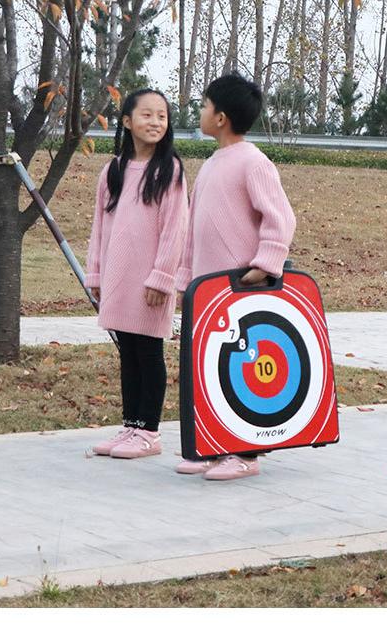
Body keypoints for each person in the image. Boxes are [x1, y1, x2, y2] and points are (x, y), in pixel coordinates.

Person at [175, 72, 296, 481]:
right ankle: (213, 446)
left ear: (221, 117)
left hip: (241, 287)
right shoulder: (210, 165)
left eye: (205, 105)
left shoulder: (253, 161)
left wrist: (266, 262)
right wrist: (184, 281)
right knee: (209, 368)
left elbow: (279, 217)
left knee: (242, 370)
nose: (201, 112)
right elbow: (193, 229)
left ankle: (245, 454)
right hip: (207, 290)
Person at [86, 88, 188, 459]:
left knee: (148, 352)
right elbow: (99, 228)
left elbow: (175, 230)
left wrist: (162, 278)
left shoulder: (169, 171)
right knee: (127, 351)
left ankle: (149, 431)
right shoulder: (112, 171)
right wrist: (94, 275)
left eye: (162, 116)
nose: (155, 122)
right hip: (118, 279)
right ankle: (130, 425)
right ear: (127, 121)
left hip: (150, 284)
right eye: (147, 115)